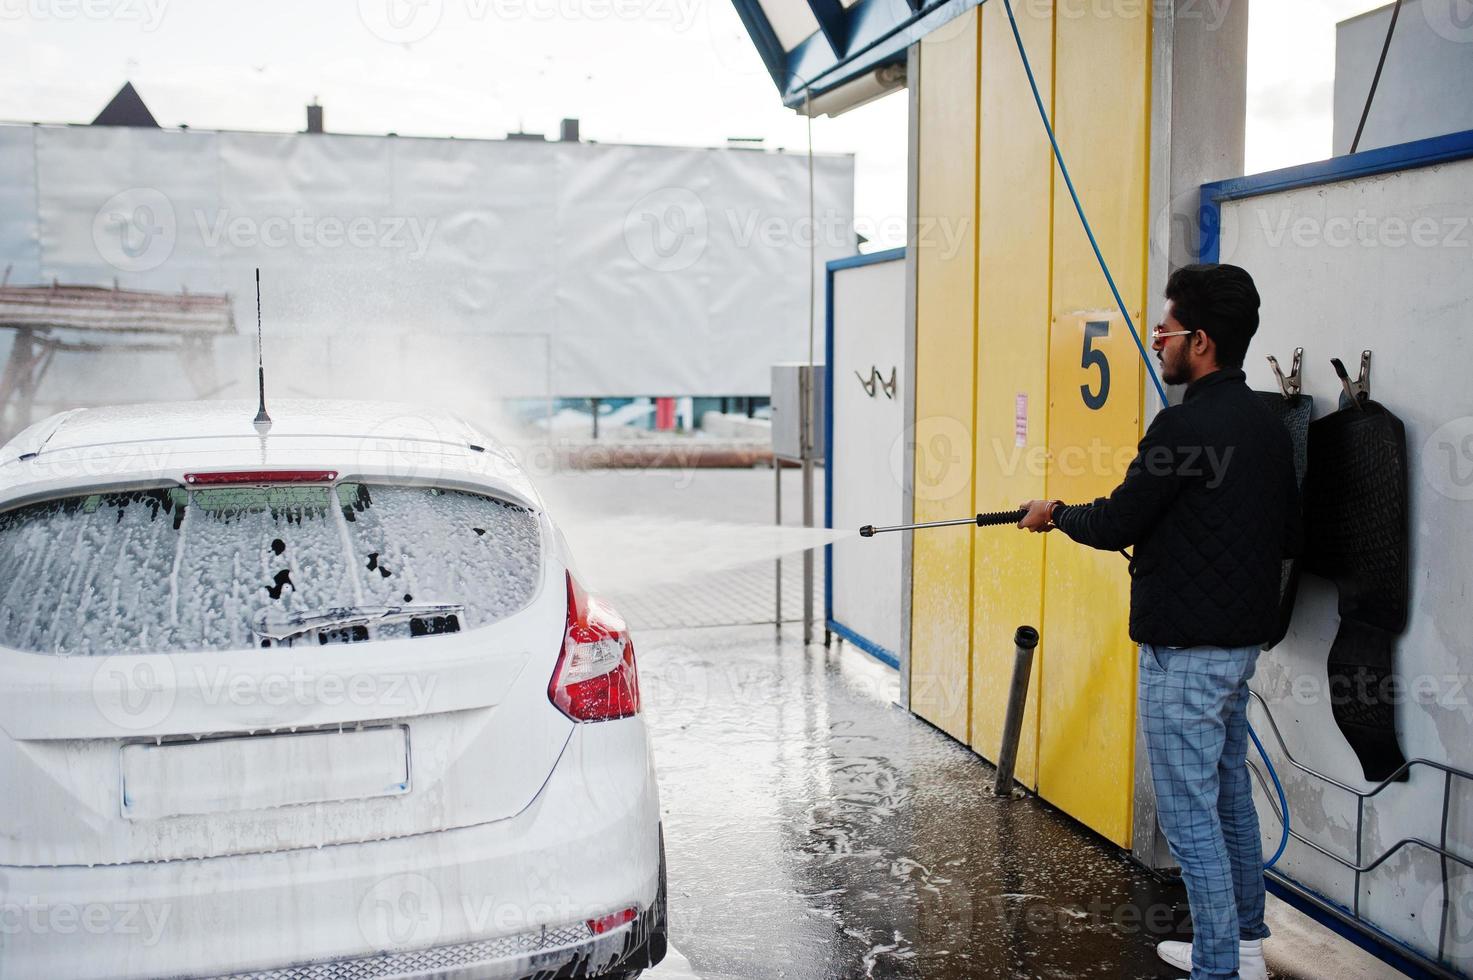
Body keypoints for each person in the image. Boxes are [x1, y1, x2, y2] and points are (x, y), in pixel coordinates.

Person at [1017, 263, 1300, 980]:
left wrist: (1056, 515)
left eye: (1165, 331)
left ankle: (1216, 969)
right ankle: (1240, 946)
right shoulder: (1266, 426)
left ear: (1199, 342)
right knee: (1228, 796)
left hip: (1184, 656)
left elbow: (1119, 519)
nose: (1156, 342)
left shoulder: (1183, 424)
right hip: (1236, 649)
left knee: (1189, 818)